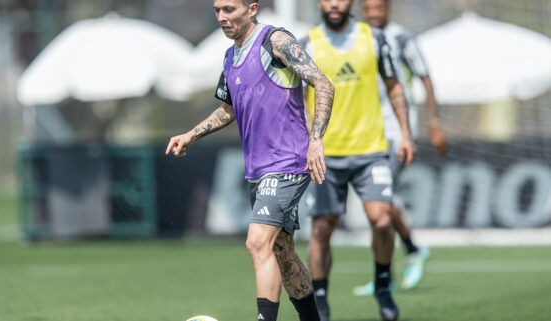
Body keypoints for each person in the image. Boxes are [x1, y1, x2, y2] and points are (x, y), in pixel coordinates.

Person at [166, 1, 335, 320]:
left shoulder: (276, 41)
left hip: (288, 162)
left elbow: (323, 83)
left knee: (258, 242)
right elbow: (228, 108)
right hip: (258, 169)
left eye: (229, 9)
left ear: (252, 9)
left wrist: (316, 141)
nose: (221, 17)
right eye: (217, 10)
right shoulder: (230, 56)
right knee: (282, 253)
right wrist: (192, 133)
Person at [301, 0, 415, 320]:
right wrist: (309, 140)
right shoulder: (307, 44)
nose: (334, 3)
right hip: (326, 155)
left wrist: (406, 133)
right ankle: (320, 299)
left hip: (372, 151)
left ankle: (382, 284)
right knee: (323, 228)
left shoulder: (374, 39)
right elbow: (297, 97)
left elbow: (395, 85)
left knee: (381, 218)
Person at [352, 0, 449, 297]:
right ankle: (410, 250)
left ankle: (388, 273)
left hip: (396, 132)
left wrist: (434, 123)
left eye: (377, 6)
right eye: (367, 7)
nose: (372, 12)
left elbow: (426, 79)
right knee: (380, 204)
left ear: (388, 7)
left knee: (379, 203)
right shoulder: (356, 38)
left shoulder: (403, 38)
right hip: (364, 133)